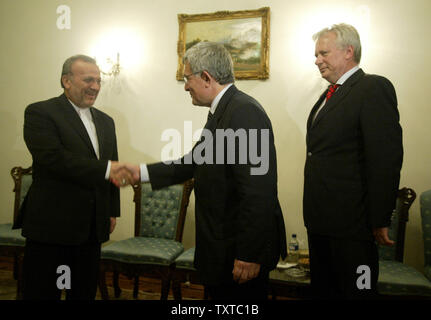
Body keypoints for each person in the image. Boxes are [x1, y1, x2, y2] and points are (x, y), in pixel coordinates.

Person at [113, 42, 287, 300]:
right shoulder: (223, 110)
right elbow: (193, 161)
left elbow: (257, 191)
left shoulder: (244, 111)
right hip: (221, 247)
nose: (185, 86)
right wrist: (142, 172)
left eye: (187, 78)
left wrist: (249, 255)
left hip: (238, 249)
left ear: (206, 77)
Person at [16, 54, 130, 300]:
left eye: (99, 81)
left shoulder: (106, 122)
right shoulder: (40, 112)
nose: (96, 87)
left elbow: (113, 165)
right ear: (66, 81)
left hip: (92, 228)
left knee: (84, 293)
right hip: (52, 228)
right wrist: (107, 170)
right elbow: (54, 160)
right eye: (88, 80)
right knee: (42, 293)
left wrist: (111, 210)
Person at [303, 23, 403, 298]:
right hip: (321, 220)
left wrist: (380, 218)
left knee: (357, 293)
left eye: (323, 53)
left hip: (353, 225)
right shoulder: (330, 93)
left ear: (348, 51)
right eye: (316, 54)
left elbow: (385, 158)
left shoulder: (372, 87)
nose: (317, 60)